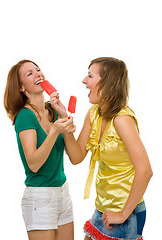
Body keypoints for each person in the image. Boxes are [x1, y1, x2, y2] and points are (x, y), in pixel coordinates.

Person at [50, 57, 153, 240]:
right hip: (103, 208)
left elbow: (145, 171)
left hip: (126, 212)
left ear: (107, 83)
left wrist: (122, 214)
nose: (84, 81)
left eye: (89, 76)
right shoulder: (94, 113)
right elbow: (77, 156)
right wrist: (64, 120)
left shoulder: (122, 120)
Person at [4, 59, 76, 240]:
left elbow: (75, 157)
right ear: (21, 87)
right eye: (30, 73)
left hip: (63, 192)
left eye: (38, 69)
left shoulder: (52, 110)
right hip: (40, 198)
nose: (38, 74)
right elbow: (34, 164)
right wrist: (54, 132)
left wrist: (63, 116)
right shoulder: (25, 116)